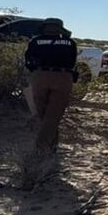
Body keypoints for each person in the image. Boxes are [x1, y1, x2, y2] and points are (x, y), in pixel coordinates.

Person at [24, 18, 78, 151]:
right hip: (63, 77)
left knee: (43, 113)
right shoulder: (70, 43)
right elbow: (72, 61)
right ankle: (46, 147)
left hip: (40, 77)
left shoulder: (35, 41)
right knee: (54, 114)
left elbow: (28, 61)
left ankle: (45, 147)